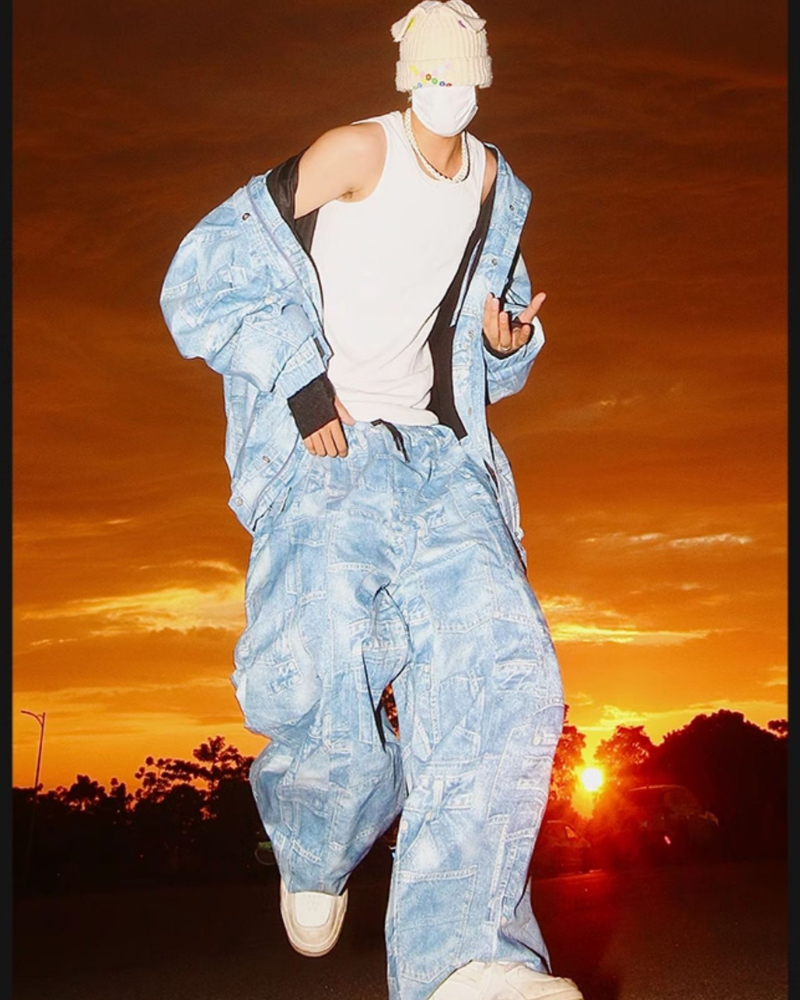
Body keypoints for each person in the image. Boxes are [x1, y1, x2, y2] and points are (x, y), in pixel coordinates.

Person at [160, 3, 582, 998]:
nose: (448, 98)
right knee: (322, 663)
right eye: (432, 79)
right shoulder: (353, 152)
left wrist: (506, 340)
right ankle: (316, 837)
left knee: (505, 671)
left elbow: (486, 341)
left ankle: (462, 956)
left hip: (442, 460)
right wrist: (300, 381)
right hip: (331, 449)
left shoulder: (494, 186)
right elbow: (205, 277)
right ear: (407, 80)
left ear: (482, 79)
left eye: (463, 78)